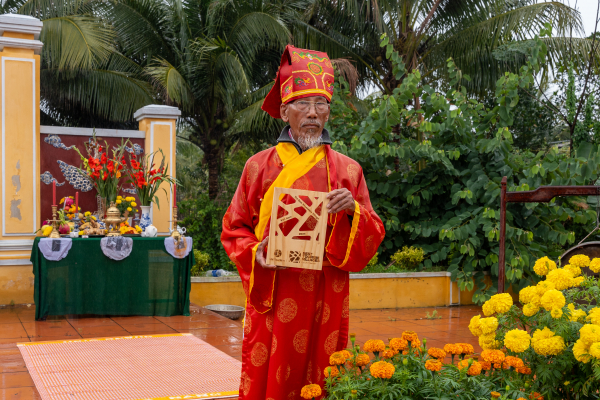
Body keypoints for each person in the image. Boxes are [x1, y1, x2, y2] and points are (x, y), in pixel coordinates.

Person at [221, 44, 385, 399]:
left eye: (321, 104)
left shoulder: (349, 170)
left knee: (322, 374)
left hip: (326, 295)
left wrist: (352, 213)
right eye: (302, 103)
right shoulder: (257, 166)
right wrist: (256, 254)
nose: (312, 113)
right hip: (277, 292)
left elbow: (373, 231)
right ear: (284, 110)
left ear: (329, 111)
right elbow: (234, 229)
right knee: (274, 377)